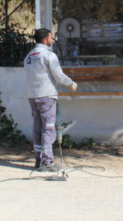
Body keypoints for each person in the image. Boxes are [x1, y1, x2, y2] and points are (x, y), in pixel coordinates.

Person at [24, 28, 78, 172]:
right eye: (50, 38)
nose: (52, 40)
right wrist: (71, 83)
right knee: (48, 128)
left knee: (37, 127)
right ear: (44, 40)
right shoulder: (49, 55)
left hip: (33, 96)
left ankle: (38, 160)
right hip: (46, 96)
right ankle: (47, 162)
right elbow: (59, 76)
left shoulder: (29, 56)